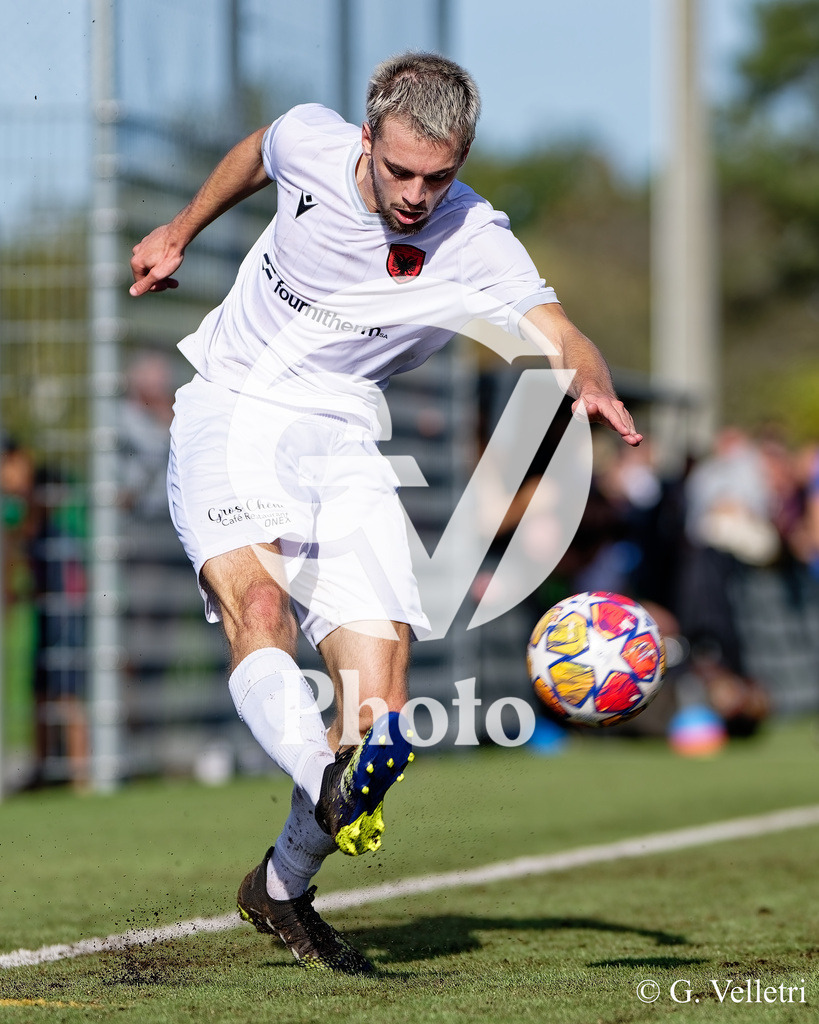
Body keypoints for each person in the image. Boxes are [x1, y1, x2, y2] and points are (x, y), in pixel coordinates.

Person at [129, 53, 642, 974]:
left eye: (436, 177)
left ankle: (281, 886)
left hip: (345, 437)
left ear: (463, 159)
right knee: (261, 613)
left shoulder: (475, 237)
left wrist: (590, 379)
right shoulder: (312, 140)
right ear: (366, 139)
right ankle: (321, 781)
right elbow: (257, 149)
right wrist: (178, 228)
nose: (414, 195)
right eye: (399, 170)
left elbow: (557, 329)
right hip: (233, 409)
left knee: (379, 721)